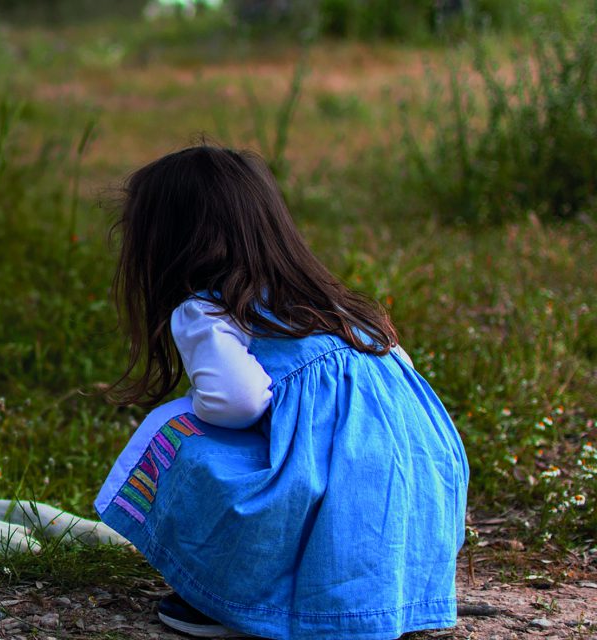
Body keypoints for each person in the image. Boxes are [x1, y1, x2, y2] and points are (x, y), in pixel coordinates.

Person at [95, 145, 469, 639]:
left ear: (168, 245)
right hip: (419, 490)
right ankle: (383, 595)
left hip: (331, 496)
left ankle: (231, 596)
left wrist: (200, 408)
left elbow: (239, 400)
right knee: (333, 462)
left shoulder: (207, 310)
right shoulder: (336, 306)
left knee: (177, 433)